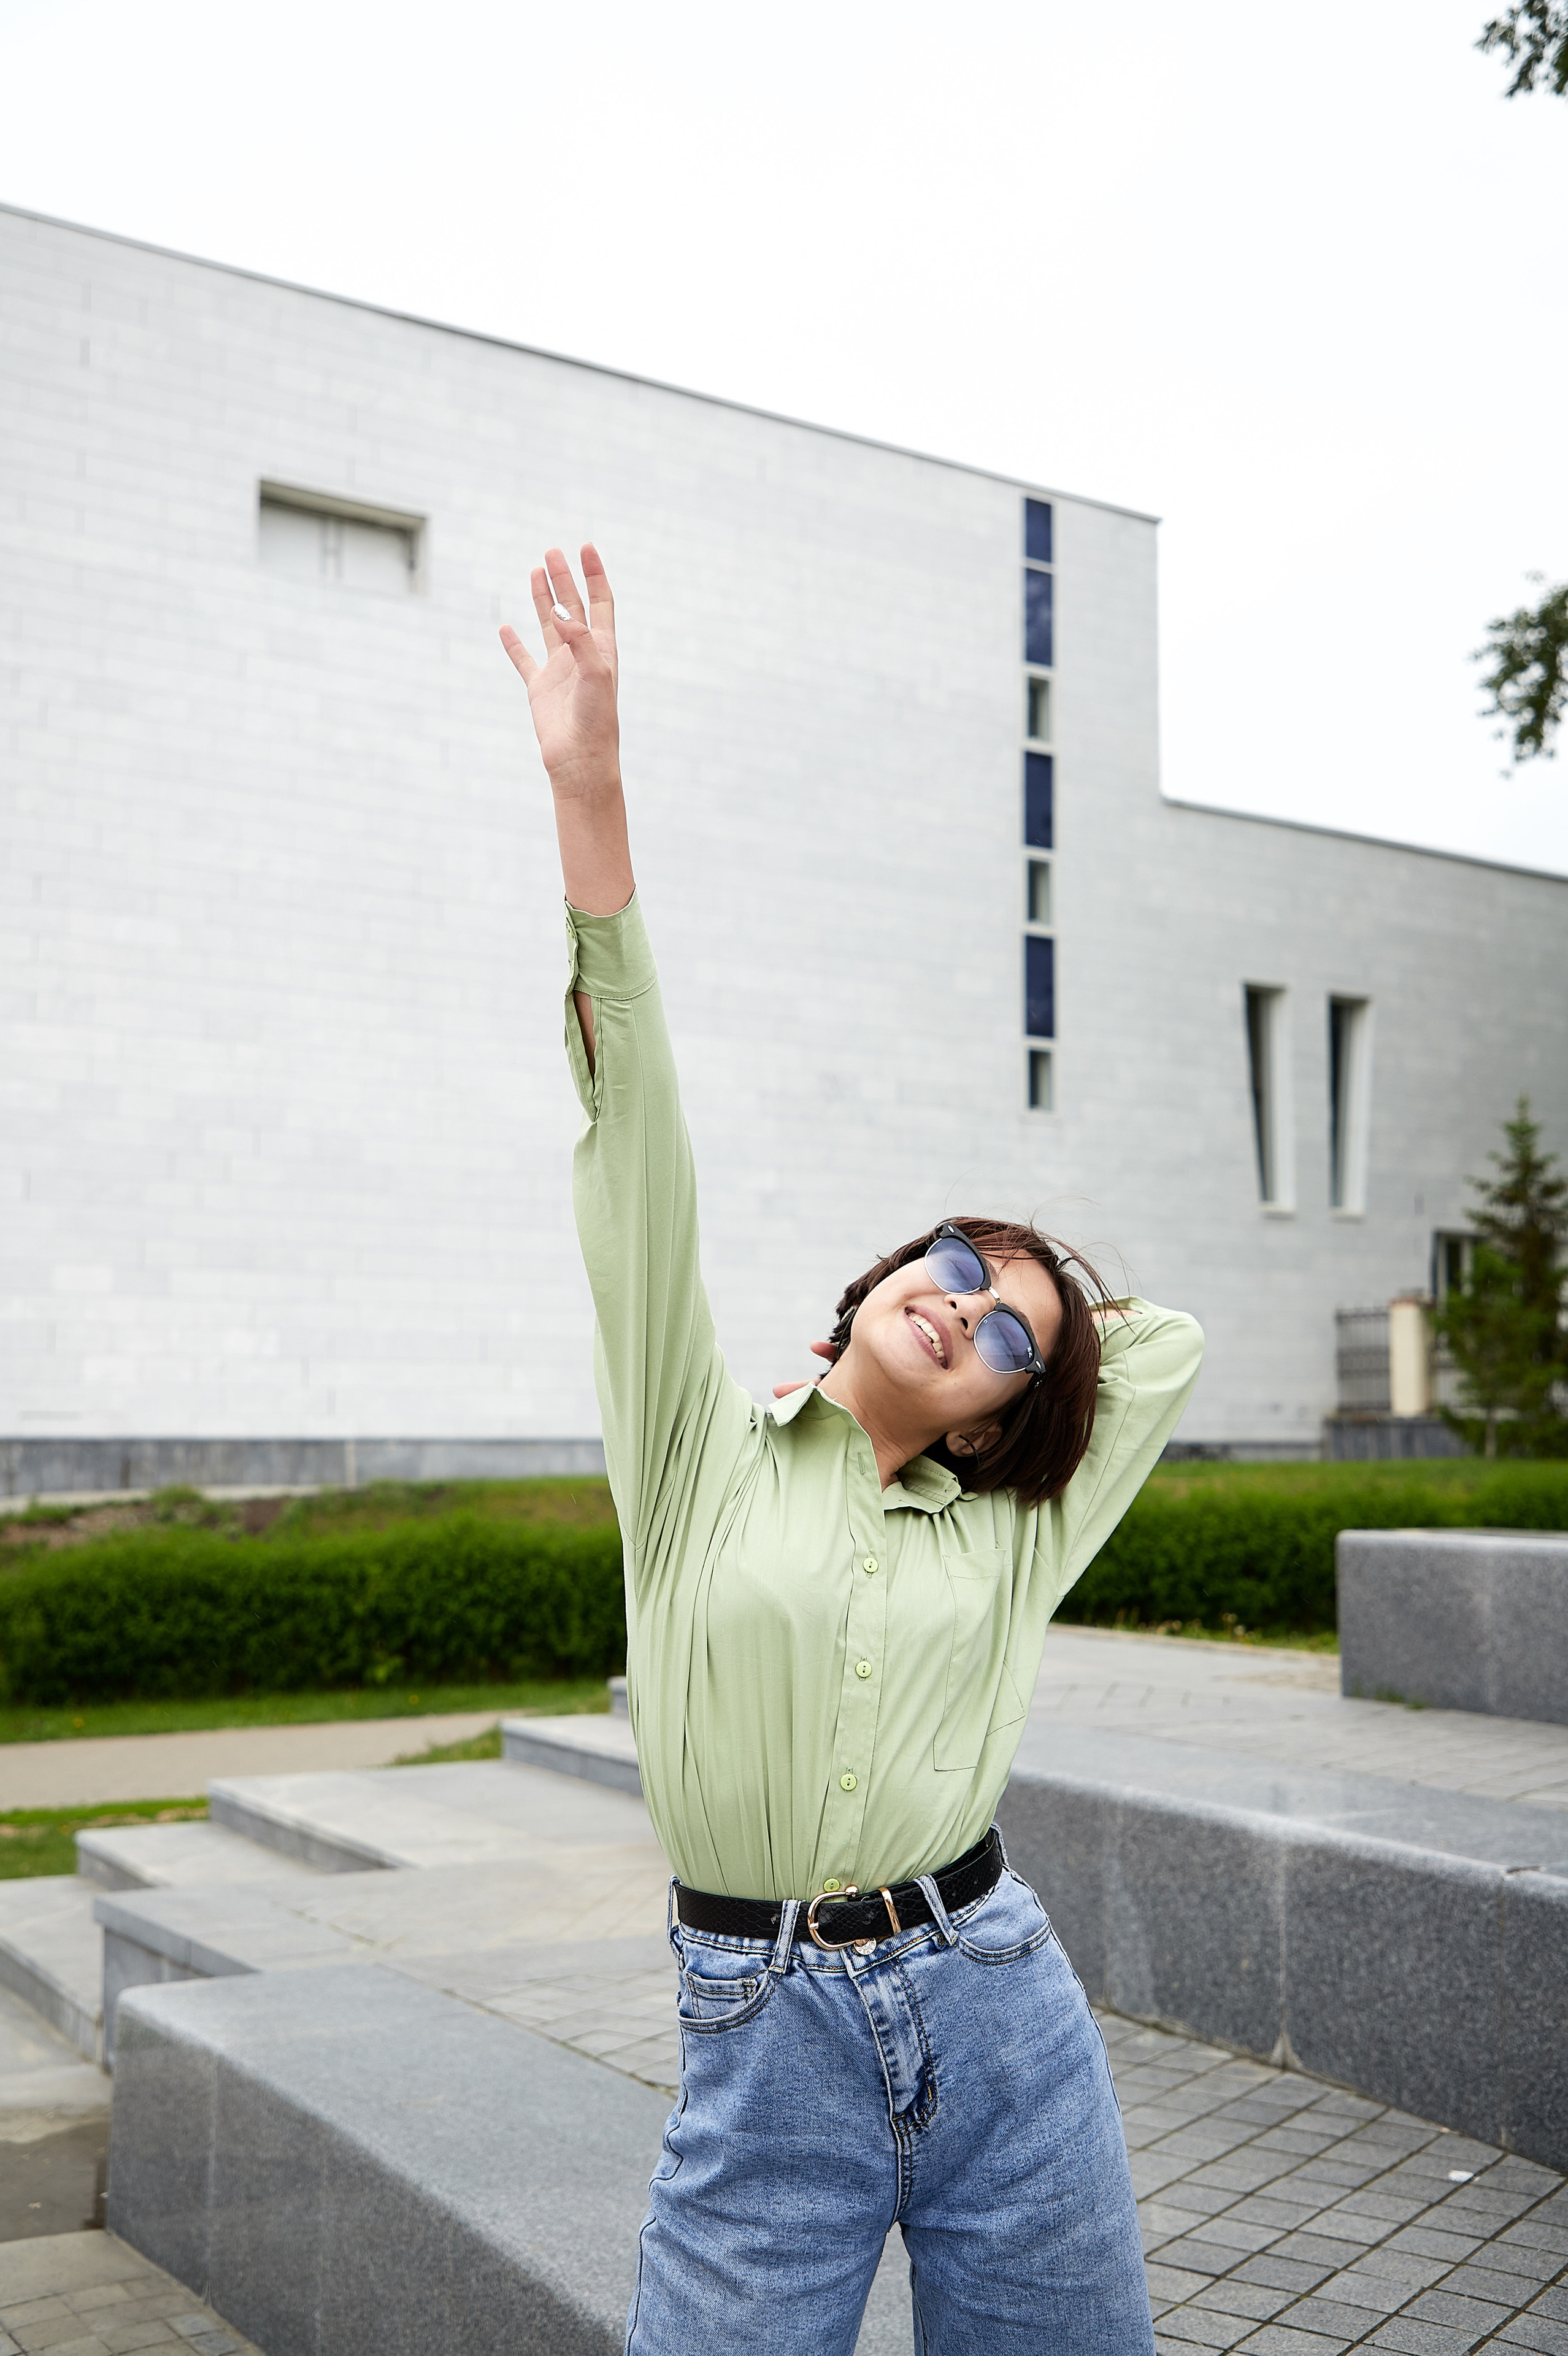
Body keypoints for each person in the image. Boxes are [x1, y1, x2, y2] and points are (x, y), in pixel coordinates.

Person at [501, 546, 1205, 2356]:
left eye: (1007, 1342)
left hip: (1002, 2014)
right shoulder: (694, 1454)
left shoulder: (1009, 1535)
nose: (970, 1308)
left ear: (1008, 1420)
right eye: (957, 1267)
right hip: (762, 2033)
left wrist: (1034, 1362)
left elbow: (1165, 1351)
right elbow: (634, 1132)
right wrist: (593, 797)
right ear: (888, 1266)